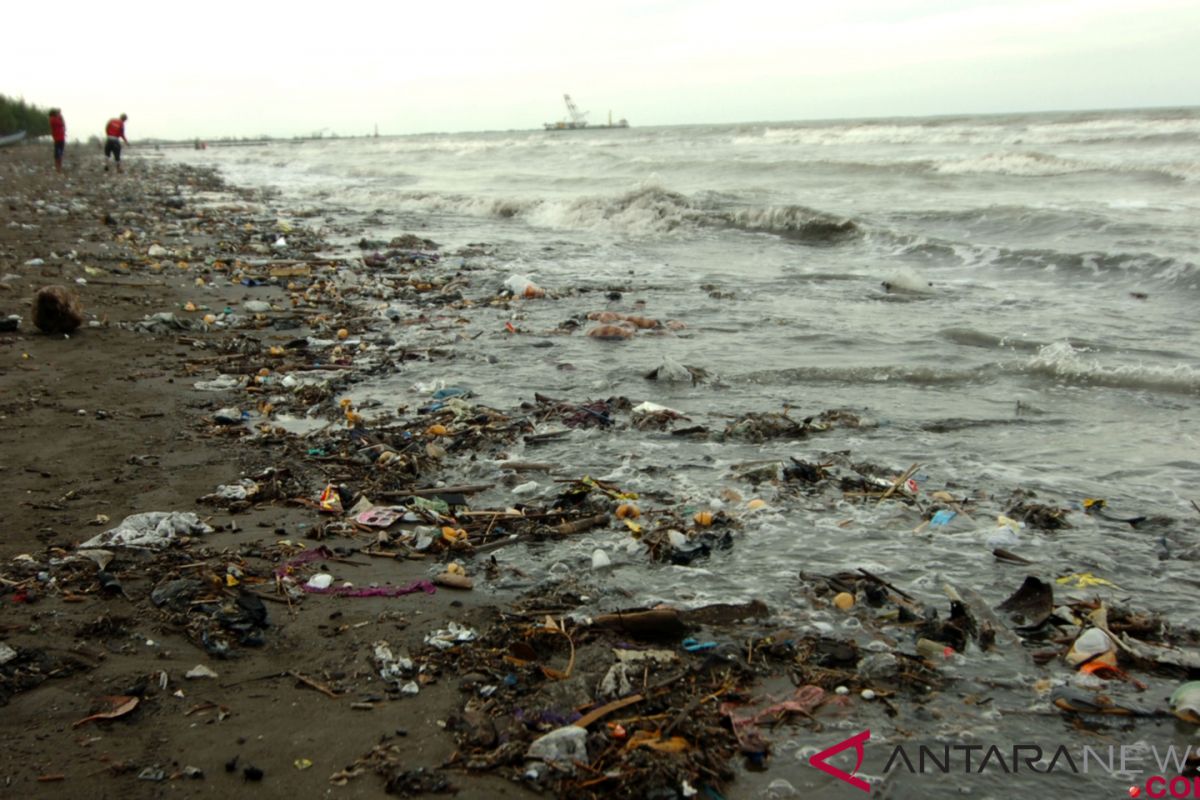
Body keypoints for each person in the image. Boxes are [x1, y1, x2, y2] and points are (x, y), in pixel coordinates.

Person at [48, 108, 66, 173]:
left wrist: (59, 115)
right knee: (59, 154)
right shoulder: (53, 119)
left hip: (58, 139)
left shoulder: (52, 119)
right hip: (60, 139)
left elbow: (62, 124)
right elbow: (63, 124)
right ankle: (58, 168)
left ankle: (58, 168)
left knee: (57, 154)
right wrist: (60, 115)